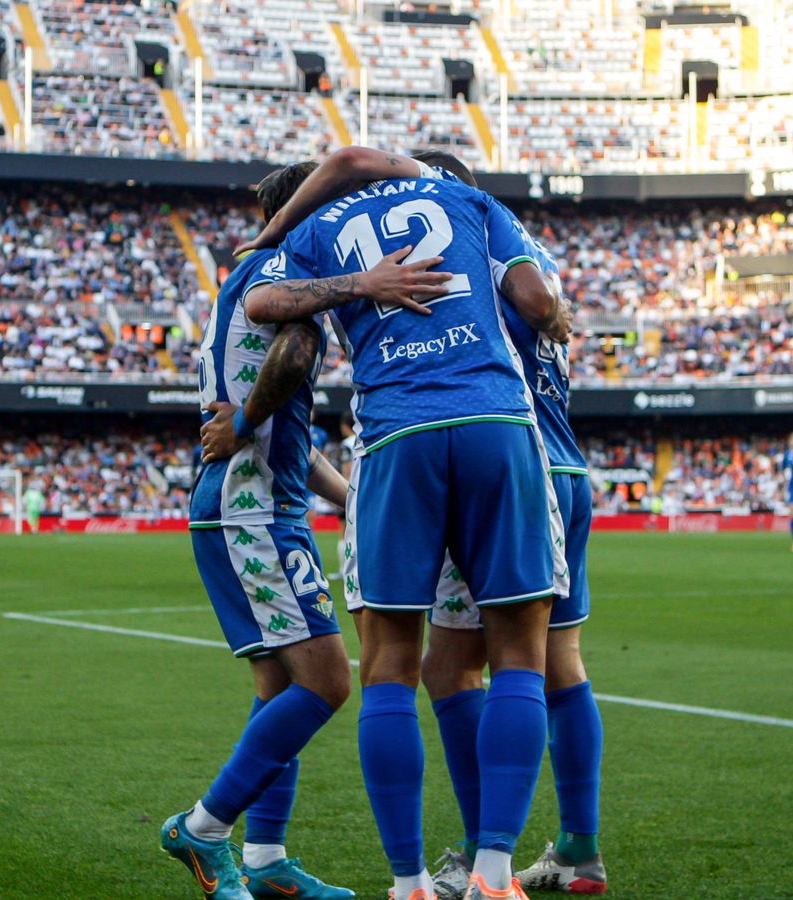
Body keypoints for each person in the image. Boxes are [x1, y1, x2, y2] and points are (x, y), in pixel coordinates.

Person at [243, 146, 566, 900]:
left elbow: (263, 305)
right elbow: (535, 301)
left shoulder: (317, 228)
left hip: (396, 435)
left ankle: (410, 882)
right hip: (495, 422)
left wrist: (319, 263)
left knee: (388, 661)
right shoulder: (471, 203)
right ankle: (493, 876)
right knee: (519, 653)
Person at [163, 160, 445, 900]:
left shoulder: (263, 276)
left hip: (251, 503)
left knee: (279, 687)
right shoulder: (280, 272)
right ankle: (202, 828)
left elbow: (288, 427)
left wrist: (347, 495)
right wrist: (363, 283)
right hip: (253, 512)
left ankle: (265, 859)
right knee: (327, 682)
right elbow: (286, 347)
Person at [396, 151, 605, 899]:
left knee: (452, 666)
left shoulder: (462, 241)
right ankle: (580, 848)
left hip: (508, 470)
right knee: (560, 662)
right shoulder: (530, 248)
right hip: (567, 466)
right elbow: (547, 314)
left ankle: (485, 860)